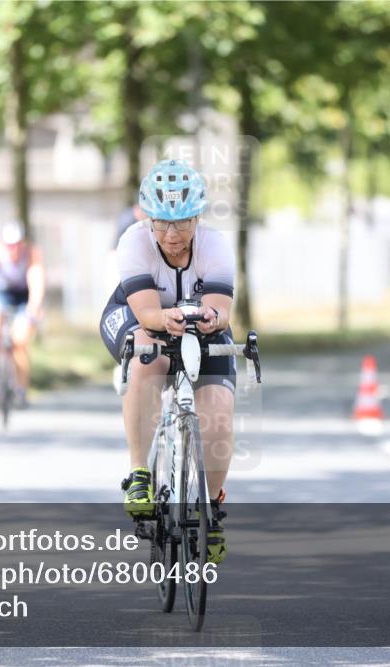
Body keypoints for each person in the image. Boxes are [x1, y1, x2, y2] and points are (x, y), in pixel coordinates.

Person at [98, 159, 236, 564]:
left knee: (220, 410)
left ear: (198, 218)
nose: (172, 235)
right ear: (148, 219)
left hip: (198, 324)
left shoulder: (216, 245)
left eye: (182, 224)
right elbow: (147, 314)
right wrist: (164, 321)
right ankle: (140, 474)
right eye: (162, 223)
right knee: (148, 354)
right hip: (138, 316)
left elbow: (221, 309)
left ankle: (212, 509)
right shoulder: (134, 241)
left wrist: (212, 318)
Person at [0, 221, 45, 406]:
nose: (13, 249)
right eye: (9, 245)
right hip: (1, 294)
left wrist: (34, 307)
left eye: (16, 244)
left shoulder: (31, 254)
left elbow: (36, 281)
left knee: (20, 342)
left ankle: (21, 389)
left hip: (23, 296)